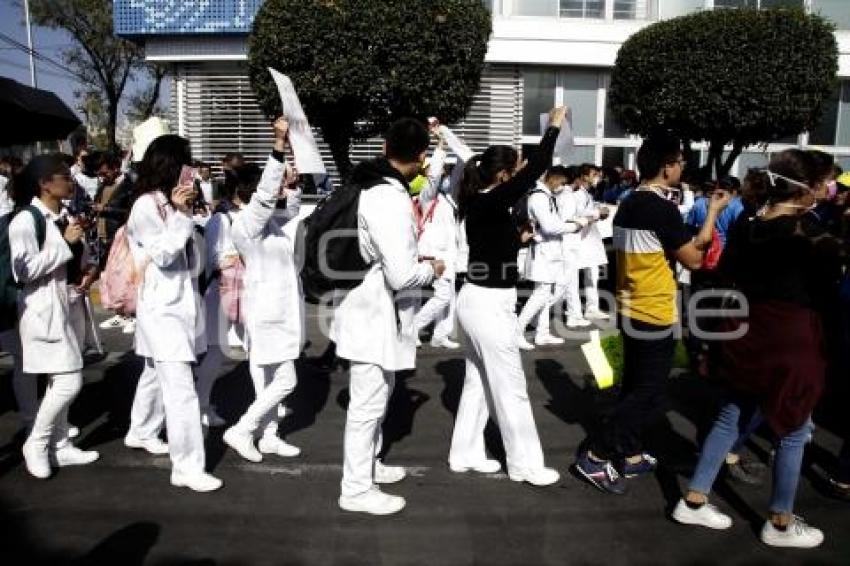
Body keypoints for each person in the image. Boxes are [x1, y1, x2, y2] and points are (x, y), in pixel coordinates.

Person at [672, 150, 840, 549]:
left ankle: (695, 499)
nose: (830, 188)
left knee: (731, 415)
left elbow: (726, 275)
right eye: (825, 182)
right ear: (808, 189)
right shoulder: (814, 235)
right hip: (790, 338)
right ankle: (780, 522)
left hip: (743, 333)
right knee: (795, 428)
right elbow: (828, 295)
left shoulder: (749, 225)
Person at [574, 134, 729, 494]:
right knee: (649, 390)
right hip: (652, 308)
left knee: (634, 383)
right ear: (666, 166)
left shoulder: (630, 201)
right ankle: (596, 456)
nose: (683, 166)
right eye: (679, 160)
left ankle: (628, 452)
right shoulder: (660, 208)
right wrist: (714, 214)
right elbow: (693, 258)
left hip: (630, 305)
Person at [448, 106, 568, 488]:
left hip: (476, 299)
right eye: (514, 171)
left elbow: (492, 245)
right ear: (503, 175)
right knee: (511, 387)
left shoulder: (480, 202)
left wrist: (517, 240)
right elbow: (538, 167)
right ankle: (524, 465)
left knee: (478, 382)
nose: (519, 175)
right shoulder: (491, 200)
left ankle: (465, 453)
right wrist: (552, 127)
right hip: (487, 303)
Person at [331, 118, 443, 515]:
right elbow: (402, 274)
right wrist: (434, 268)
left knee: (381, 395)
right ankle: (356, 489)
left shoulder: (374, 186)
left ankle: (370, 466)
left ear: (385, 147)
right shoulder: (388, 197)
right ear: (422, 157)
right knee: (368, 406)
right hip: (372, 314)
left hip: (372, 311)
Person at [125, 134, 222, 492]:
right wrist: (181, 215)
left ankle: (141, 429)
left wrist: (188, 211)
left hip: (179, 304)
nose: (192, 168)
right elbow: (164, 255)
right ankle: (187, 466)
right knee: (180, 388)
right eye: (187, 161)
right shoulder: (146, 206)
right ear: (169, 163)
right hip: (161, 307)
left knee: (153, 372)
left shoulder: (172, 201)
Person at [11, 154, 100, 479]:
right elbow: (23, 270)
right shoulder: (26, 220)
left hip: (70, 304)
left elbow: (77, 256)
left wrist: (87, 269)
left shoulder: (62, 215)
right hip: (42, 311)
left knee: (57, 378)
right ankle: (36, 441)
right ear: (44, 183)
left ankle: (60, 446)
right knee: (68, 380)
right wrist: (64, 244)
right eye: (63, 176)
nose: (70, 180)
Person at [222, 118, 303, 462]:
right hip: (267, 312)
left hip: (278, 311)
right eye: (271, 191)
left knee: (269, 379)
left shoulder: (270, 223)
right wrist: (278, 143)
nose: (278, 194)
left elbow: (292, 207)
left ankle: (268, 435)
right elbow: (268, 193)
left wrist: (294, 185)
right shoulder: (246, 226)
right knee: (286, 381)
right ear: (250, 196)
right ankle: (242, 429)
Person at [516, 165, 586, 349]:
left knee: (544, 294)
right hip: (543, 251)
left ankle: (542, 333)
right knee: (539, 295)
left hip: (550, 251)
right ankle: (516, 330)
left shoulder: (546, 196)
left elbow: (553, 224)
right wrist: (575, 226)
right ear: (554, 178)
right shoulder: (539, 197)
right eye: (561, 182)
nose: (561, 186)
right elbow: (550, 227)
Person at [413, 127, 459, 349]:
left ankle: (440, 335)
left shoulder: (448, 199)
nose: (444, 176)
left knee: (450, 296)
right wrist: (440, 148)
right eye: (442, 173)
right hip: (432, 253)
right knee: (442, 296)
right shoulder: (426, 197)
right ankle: (413, 327)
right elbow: (433, 177)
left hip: (448, 254)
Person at [573, 164, 611, 321]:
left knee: (592, 274)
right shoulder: (577, 194)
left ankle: (591, 307)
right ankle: (574, 311)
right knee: (572, 278)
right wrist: (597, 213)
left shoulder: (587, 194)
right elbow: (578, 213)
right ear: (584, 176)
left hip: (589, 239)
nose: (597, 178)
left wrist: (599, 212)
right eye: (594, 174)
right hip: (579, 240)